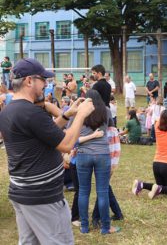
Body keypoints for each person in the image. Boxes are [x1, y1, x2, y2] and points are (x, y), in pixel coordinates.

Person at [0, 58, 95, 244]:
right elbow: (66, 144)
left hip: (22, 192)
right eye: (43, 79)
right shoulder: (31, 113)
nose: (46, 84)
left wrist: (67, 114)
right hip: (42, 196)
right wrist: (82, 115)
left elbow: (45, 133)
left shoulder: (9, 111)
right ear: (29, 81)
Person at [75, 89, 120, 234]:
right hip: (102, 154)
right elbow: (110, 128)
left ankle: (84, 226)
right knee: (103, 192)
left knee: (83, 191)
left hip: (83, 154)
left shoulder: (80, 111)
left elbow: (72, 136)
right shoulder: (106, 111)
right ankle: (105, 227)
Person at [132, 110, 167, 198]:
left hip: (157, 164)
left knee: (160, 187)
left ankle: (141, 185)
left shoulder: (157, 126)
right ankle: (151, 187)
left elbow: (159, 119)